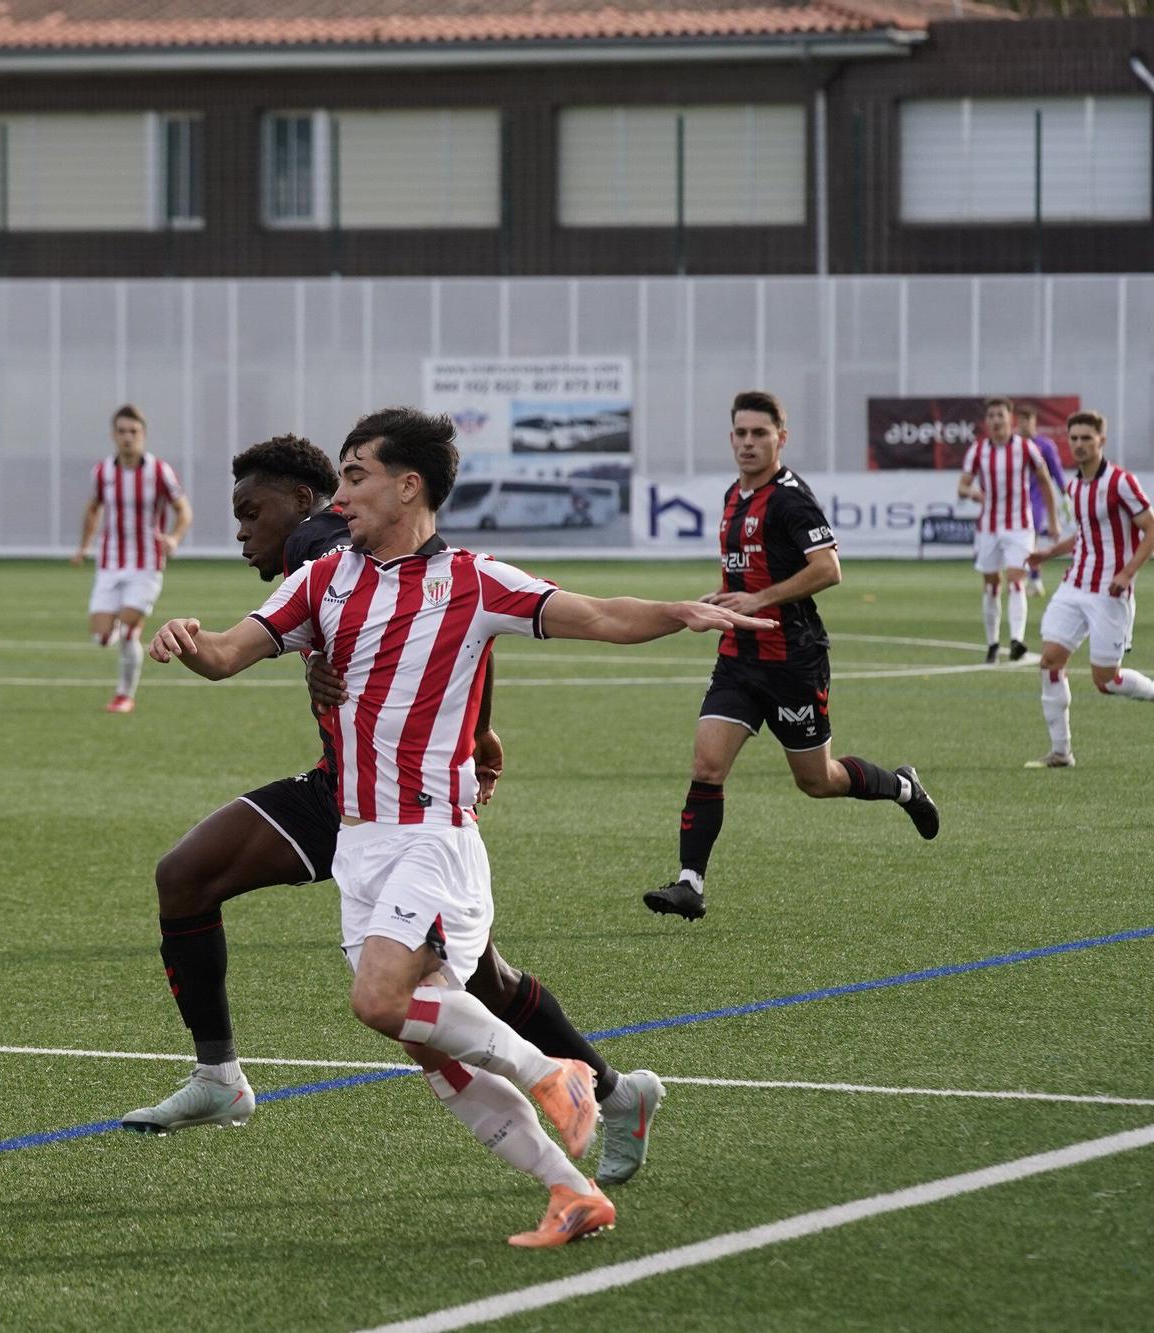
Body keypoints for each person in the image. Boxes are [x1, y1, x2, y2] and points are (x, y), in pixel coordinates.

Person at [148, 407, 774, 1247]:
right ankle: (570, 1188)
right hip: (358, 841)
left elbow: (597, 613)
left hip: (433, 839)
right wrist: (189, 641)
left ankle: (557, 1072)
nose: (341, 496)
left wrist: (681, 611)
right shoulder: (323, 577)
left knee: (380, 1000)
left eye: (357, 476)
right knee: (432, 1048)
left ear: (409, 486)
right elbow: (227, 653)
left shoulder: (475, 581)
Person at [644, 392, 940, 922]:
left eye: (760, 433)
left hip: (792, 661)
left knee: (816, 780)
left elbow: (828, 569)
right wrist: (722, 594)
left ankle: (901, 786)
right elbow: (749, 571)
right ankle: (690, 883)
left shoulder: (789, 498)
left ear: (782, 437)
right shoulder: (735, 496)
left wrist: (758, 599)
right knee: (707, 764)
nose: (749, 443)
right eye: (741, 433)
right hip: (738, 656)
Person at [1021, 411, 1154, 769]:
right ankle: (1061, 752)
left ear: (1101, 441)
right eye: (1074, 438)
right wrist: (1049, 552)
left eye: (1086, 438)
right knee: (1050, 661)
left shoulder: (1121, 482)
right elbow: (1085, 534)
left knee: (1106, 681)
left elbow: (1150, 529)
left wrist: (1127, 573)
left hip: (1109, 593)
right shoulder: (1076, 486)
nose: (1079, 445)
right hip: (1074, 584)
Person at [71, 405, 192, 713]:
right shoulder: (103, 472)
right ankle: (114, 631)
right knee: (101, 636)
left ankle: (124, 695)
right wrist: (84, 548)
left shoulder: (158, 471)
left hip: (146, 565)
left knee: (127, 633)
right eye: (122, 432)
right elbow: (92, 509)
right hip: (110, 562)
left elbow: (184, 511)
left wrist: (174, 538)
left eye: (133, 432)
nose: (128, 437)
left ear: (143, 435)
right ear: (113, 435)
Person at [958, 397, 1061, 663]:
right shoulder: (978, 450)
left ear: (1009, 419)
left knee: (1017, 579)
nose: (995, 420)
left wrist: (1053, 519)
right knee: (992, 585)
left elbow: (1045, 481)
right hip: (989, 528)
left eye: (1000, 415)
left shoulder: (1026, 448)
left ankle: (1017, 640)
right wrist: (972, 493)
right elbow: (962, 486)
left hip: (1019, 526)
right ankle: (993, 643)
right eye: (991, 415)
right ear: (986, 421)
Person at [1015, 406, 1068, 596]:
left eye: (1027, 420)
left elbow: (1056, 471)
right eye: (1020, 420)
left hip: (1037, 497)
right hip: (1017, 498)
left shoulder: (1045, 445)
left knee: (1031, 536)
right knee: (1024, 539)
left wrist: (1065, 493)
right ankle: (1029, 577)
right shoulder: (1014, 445)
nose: (1023, 424)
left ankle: (1034, 580)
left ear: (1034, 421)